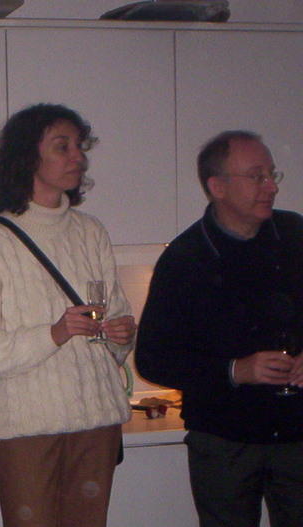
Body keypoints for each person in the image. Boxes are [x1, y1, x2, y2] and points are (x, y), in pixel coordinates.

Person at [0, 104, 137, 527]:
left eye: (80, 146)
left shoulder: (91, 232)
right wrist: (53, 334)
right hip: (26, 431)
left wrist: (121, 334)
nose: (78, 157)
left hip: (96, 423)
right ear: (28, 157)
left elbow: (117, 326)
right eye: (62, 146)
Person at [136, 130, 303, 527]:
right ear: (218, 187)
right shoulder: (185, 258)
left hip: (296, 433)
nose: (271, 186)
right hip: (223, 441)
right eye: (257, 176)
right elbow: (153, 359)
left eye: (272, 174)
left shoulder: (295, 235)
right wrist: (235, 370)